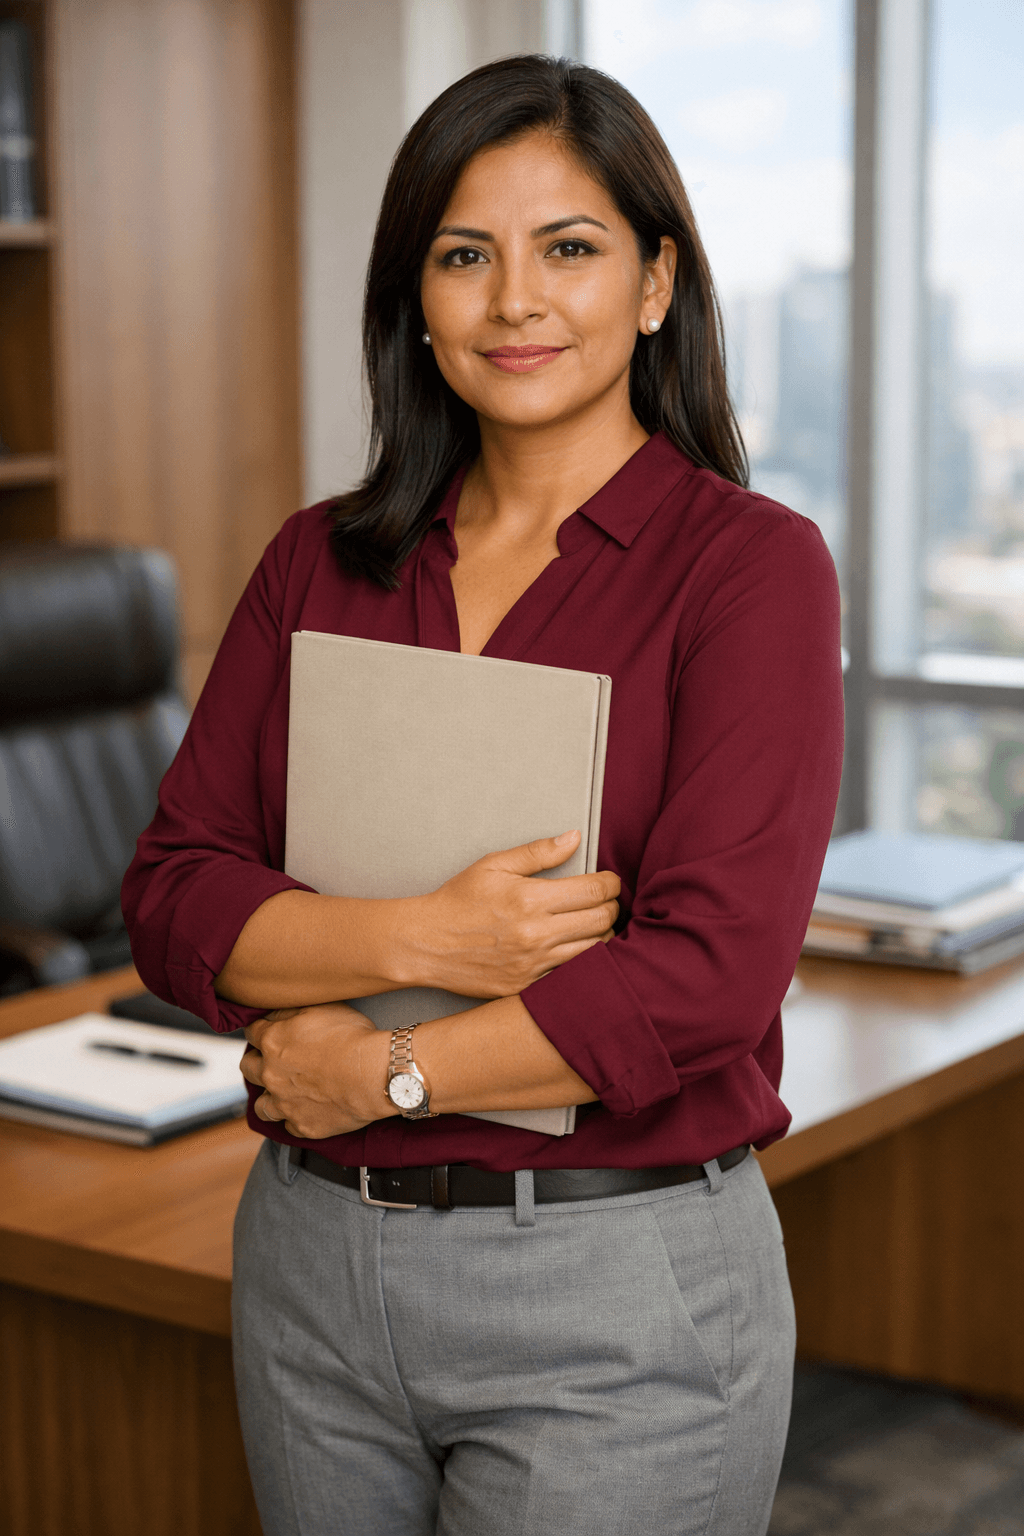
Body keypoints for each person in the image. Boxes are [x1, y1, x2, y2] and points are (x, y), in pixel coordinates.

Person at [123, 54, 843, 1536]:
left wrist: (386, 1075)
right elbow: (176, 894)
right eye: (465, 255)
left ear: (655, 285)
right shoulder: (320, 561)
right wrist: (427, 940)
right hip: (314, 1272)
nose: (516, 300)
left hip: (612, 1287)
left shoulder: (750, 570)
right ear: (416, 298)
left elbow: (705, 978)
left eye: (569, 248)